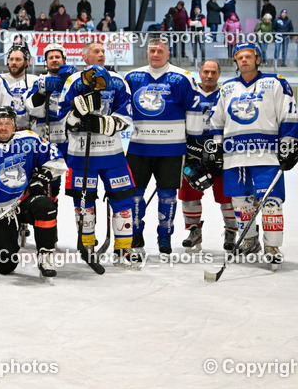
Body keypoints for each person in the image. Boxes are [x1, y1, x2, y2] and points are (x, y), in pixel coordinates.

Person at [207, 43, 298, 269]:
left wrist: (289, 144)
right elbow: (217, 121)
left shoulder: (276, 82)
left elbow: (289, 113)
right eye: (240, 57)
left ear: (258, 59)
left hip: (266, 154)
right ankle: (249, 240)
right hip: (234, 156)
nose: (244, 60)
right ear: (235, 62)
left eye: (248, 57)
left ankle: (273, 246)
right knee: (240, 202)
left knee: (271, 202)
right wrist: (217, 148)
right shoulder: (227, 88)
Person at [123, 37, 203, 255]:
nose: (155, 54)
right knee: (135, 194)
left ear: (168, 54)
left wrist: (194, 142)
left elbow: (194, 110)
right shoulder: (132, 77)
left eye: (160, 51)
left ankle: (164, 237)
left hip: (172, 149)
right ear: (147, 53)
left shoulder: (182, 78)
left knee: (168, 194)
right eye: (152, 51)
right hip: (139, 148)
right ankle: (135, 234)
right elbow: (121, 108)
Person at [0, 106, 66, 281]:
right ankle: (11, 235)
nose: (3, 127)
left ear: (14, 126)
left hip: (26, 201)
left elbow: (54, 156)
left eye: (8, 123)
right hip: (1, 210)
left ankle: (45, 255)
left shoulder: (29, 139)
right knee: (5, 266)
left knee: (45, 205)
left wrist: (44, 175)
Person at [58, 50, 137, 266]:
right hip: (81, 154)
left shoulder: (119, 81)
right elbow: (62, 116)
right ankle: (87, 245)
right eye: (95, 51)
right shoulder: (74, 81)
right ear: (85, 58)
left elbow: (127, 114)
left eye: (103, 51)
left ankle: (123, 249)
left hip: (112, 154)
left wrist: (102, 124)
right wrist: (77, 116)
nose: (101, 54)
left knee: (123, 200)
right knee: (84, 203)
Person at [178, 60, 237, 253]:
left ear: (219, 74)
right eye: (205, 72)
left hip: (221, 153)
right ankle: (194, 231)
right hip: (192, 152)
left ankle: (231, 231)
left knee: (227, 196)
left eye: (213, 72)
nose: (209, 75)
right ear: (200, 73)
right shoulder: (190, 93)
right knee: (189, 195)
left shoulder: (227, 93)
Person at [25, 43, 76, 155]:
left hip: (71, 140)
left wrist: (75, 81)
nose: (54, 60)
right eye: (50, 58)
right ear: (46, 62)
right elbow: (31, 109)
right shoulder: (39, 81)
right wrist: (41, 92)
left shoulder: (74, 80)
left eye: (57, 57)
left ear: (64, 60)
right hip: (46, 140)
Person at [1, 45, 38, 129]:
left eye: (18, 60)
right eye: (11, 59)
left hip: (27, 130)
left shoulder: (34, 80)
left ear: (26, 63)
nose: (14, 62)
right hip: (3, 130)